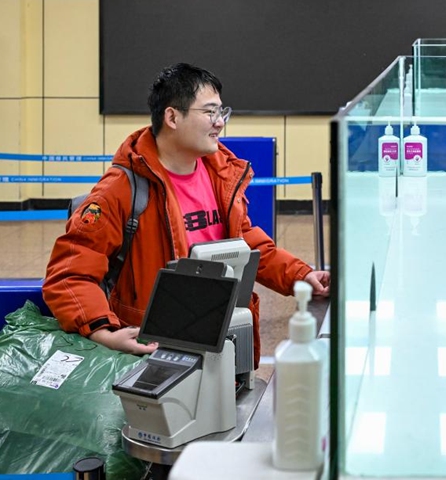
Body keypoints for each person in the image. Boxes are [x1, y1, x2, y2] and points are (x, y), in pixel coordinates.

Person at [43, 63, 330, 364]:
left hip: (221, 337)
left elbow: (245, 245)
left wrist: (302, 274)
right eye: (209, 112)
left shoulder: (221, 175)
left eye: (222, 112)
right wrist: (104, 331)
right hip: (152, 346)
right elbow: (69, 274)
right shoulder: (121, 190)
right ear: (172, 117)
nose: (219, 123)